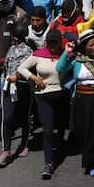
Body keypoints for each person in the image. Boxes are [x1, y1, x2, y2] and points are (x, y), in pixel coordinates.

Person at [55, 28, 94, 176]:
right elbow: (60, 67)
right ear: (84, 46)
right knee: (82, 130)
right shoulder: (76, 60)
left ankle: (93, 162)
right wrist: (66, 52)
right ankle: (89, 153)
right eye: (91, 45)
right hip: (81, 99)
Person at [17, 27, 66, 179]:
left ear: (60, 43)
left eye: (55, 42)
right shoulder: (38, 55)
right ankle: (48, 163)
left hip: (61, 95)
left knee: (61, 128)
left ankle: (60, 149)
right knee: (48, 130)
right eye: (50, 42)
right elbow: (22, 68)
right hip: (43, 96)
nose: (52, 45)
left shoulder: (65, 55)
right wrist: (34, 78)